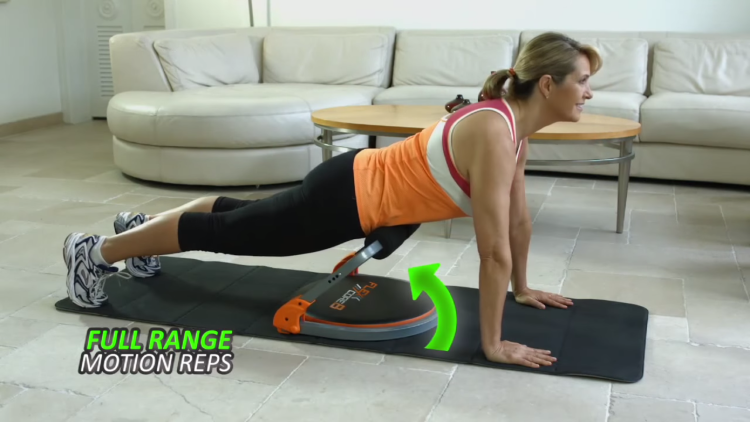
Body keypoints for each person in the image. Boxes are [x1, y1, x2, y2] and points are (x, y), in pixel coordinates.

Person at [63, 31, 601, 369]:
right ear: (547, 84)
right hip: (347, 200)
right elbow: (493, 250)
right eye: (582, 81)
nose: (589, 92)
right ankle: (96, 252)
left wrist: (522, 288)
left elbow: (518, 223)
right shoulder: (494, 131)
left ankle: (141, 230)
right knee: (232, 234)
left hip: (351, 184)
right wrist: (494, 344)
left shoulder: (513, 131)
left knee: (239, 216)